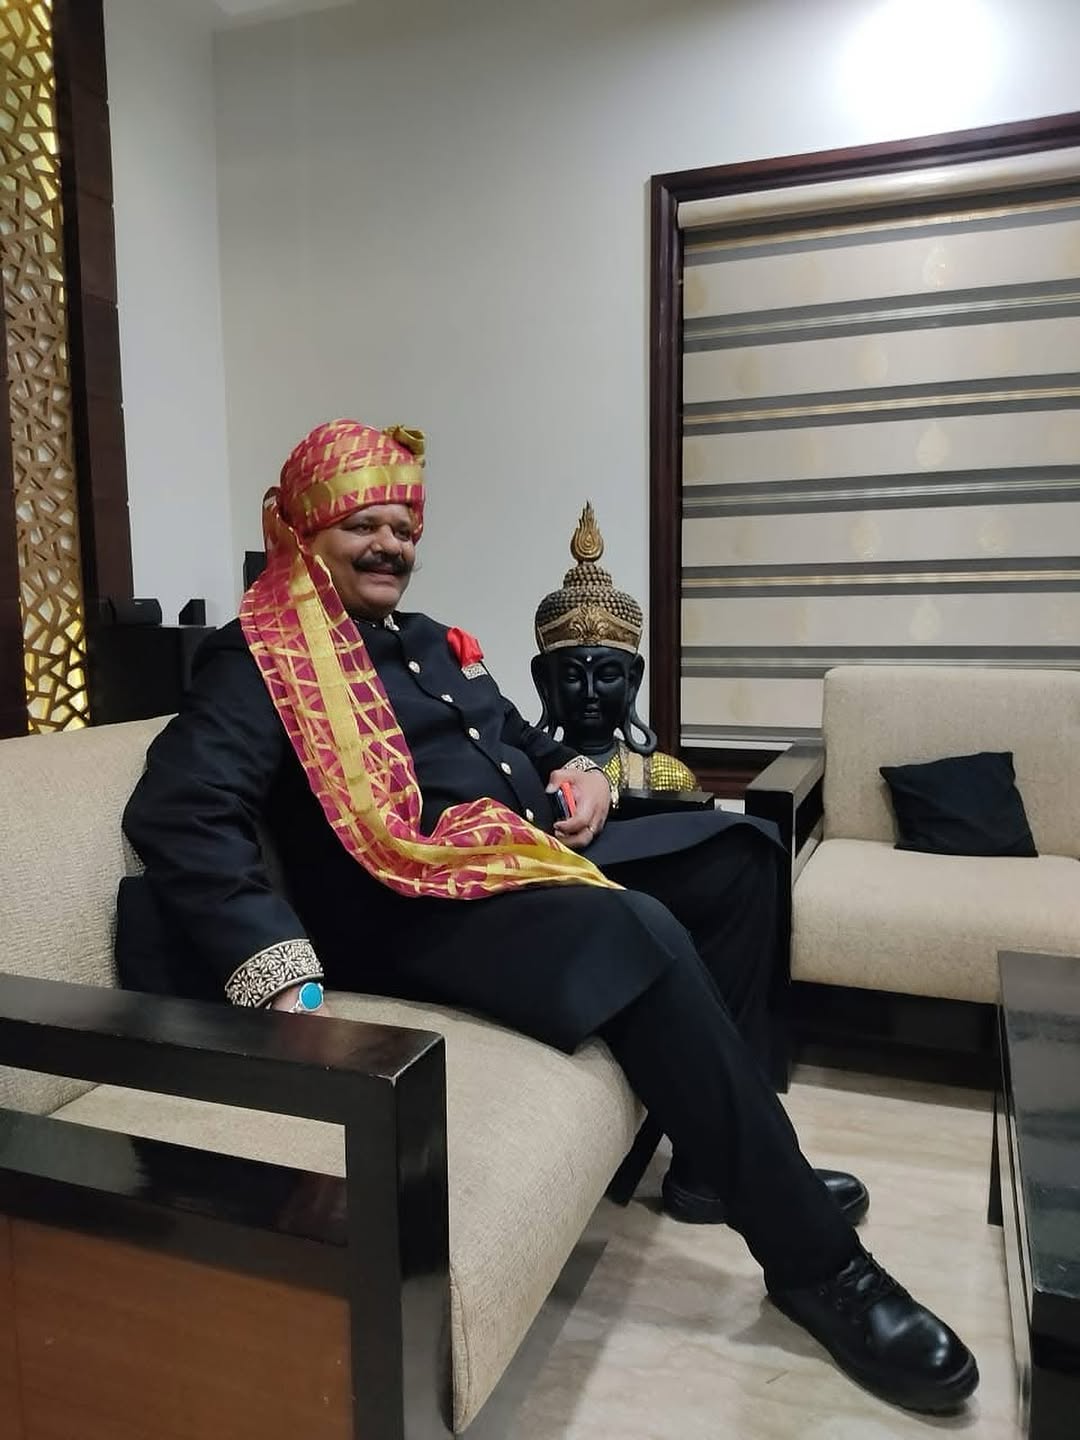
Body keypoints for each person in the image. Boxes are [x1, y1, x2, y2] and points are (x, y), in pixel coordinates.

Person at [121, 419, 978, 1415]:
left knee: (742, 855)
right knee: (637, 930)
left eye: (404, 527)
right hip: (411, 902)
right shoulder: (261, 658)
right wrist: (279, 972)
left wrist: (579, 773)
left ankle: (714, 1169)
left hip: (519, 851)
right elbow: (181, 810)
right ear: (306, 529)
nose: (391, 545)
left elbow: (517, 739)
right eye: (364, 525)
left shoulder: (428, 641)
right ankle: (821, 1268)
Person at [532, 502, 698, 794]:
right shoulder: (530, 776)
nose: (590, 693)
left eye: (607, 676)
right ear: (545, 682)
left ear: (633, 679)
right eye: (572, 676)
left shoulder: (666, 777)